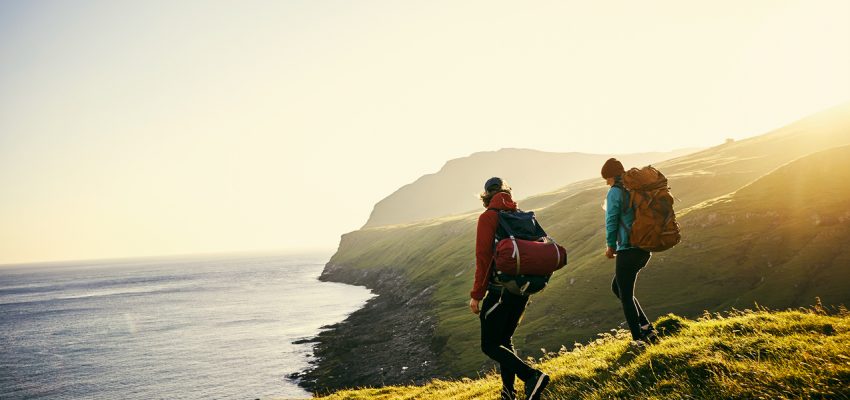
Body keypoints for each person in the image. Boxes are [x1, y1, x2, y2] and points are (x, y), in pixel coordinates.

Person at [469, 177, 550, 400]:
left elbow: (483, 258)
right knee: (505, 340)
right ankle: (508, 393)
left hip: (500, 292)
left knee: (489, 345)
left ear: (486, 196)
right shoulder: (520, 214)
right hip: (522, 289)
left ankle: (532, 376)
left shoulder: (488, 218)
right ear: (507, 193)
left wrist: (476, 295)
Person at [601, 158, 659, 345]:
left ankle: (638, 340)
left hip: (628, 249)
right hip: (644, 248)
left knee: (624, 294)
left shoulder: (615, 193)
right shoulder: (634, 189)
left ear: (611, 176)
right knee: (617, 287)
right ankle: (645, 327)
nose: (606, 182)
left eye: (606, 179)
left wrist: (611, 246)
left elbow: (611, 220)